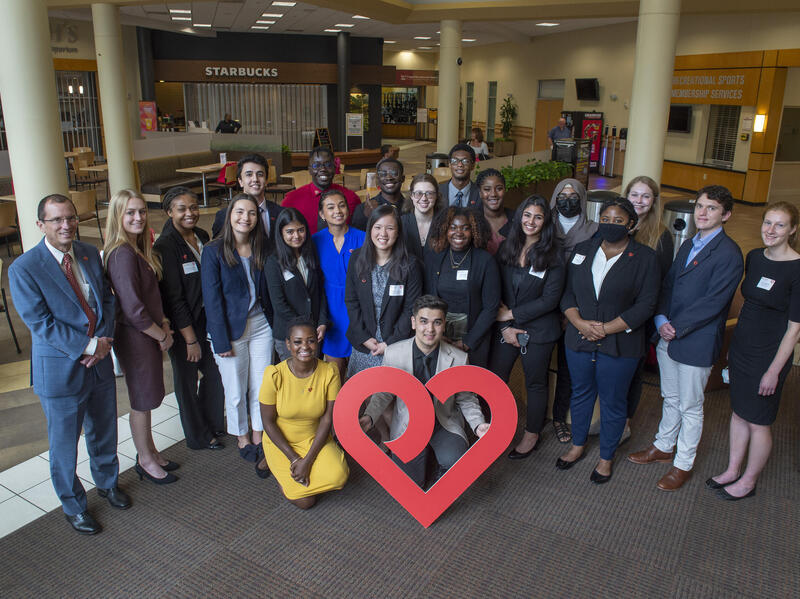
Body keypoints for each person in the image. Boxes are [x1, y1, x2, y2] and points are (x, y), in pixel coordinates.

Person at [9, 194, 128, 534]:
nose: (66, 226)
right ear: (40, 225)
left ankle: (107, 484)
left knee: (104, 430)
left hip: (100, 362)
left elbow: (106, 299)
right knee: (64, 444)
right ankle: (73, 505)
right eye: (57, 220)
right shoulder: (24, 268)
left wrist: (102, 343)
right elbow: (41, 322)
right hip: (61, 370)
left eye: (71, 218)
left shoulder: (89, 252)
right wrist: (88, 346)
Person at [628, 185, 743, 491]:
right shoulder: (689, 243)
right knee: (671, 398)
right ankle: (663, 447)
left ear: (726, 214)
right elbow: (667, 286)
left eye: (712, 208)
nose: (702, 213)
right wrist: (662, 319)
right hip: (669, 333)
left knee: (691, 406)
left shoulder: (729, 254)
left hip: (696, 340)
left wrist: (676, 326)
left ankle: (683, 464)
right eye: (700, 206)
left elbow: (714, 302)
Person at [557, 197, 660, 483]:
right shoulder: (582, 250)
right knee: (580, 394)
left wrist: (605, 329)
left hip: (621, 344)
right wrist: (579, 322)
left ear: (631, 224)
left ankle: (605, 458)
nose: (610, 225)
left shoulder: (645, 258)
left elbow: (646, 305)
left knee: (614, 402)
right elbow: (568, 295)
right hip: (578, 339)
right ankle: (578, 446)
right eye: (606, 219)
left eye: (618, 221)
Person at [708, 202, 800, 500]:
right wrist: (733, 349)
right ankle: (733, 470)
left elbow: (795, 329)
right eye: (767, 223)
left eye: (780, 225)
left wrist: (773, 371)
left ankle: (748, 481)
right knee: (738, 412)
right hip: (743, 348)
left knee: (758, 421)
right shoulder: (755, 257)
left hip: (770, 355)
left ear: (793, 230)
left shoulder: (797, 269)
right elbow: (749, 304)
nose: (770, 230)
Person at [360, 295, 489, 488]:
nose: (430, 329)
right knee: (410, 485)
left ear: (444, 324)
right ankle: (425, 460)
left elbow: (466, 398)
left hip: (442, 422)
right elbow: (384, 393)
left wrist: (478, 425)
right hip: (409, 426)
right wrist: (369, 417)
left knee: (456, 463)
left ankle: (439, 462)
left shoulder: (459, 358)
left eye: (437, 322)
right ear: (413, 322)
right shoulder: (394, 353)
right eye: (424, 321)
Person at [104, 189, 177, 485]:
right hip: (136, 336)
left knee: (146, 398)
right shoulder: (121, 253)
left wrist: (163, 323)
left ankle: (151, 451)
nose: (137, 217)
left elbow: (148, 297)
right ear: (118, 217)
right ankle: (144, 459)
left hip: (146, 332)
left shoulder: (135, 248)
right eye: (130, 213)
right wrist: (161, 335)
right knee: (140, 400)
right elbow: (132, 309)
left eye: (142, 211)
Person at [202, 193, 274, 476]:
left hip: (261, 326)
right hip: (230, 331)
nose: (246, 218)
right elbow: (212, 299)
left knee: (261, 384)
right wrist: (220, 340)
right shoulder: (214, 251)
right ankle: (242, 437)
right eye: (240, 212)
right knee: (235, 389)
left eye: (252, 213)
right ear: (230, 215)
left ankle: (258, 434)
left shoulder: (262, 248)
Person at [490, 196, 565, 458]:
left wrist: (512, 314)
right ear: (519, 216)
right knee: (497, 379)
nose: (530, 221)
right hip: (506, 327)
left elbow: (550, 299)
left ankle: (532, 433)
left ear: (545, 222)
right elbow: (495, 288)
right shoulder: (507, 248)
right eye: (527, 215)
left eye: (538, 217)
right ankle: (492, 429)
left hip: (539, 330)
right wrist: (507, 326)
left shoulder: (554, 255)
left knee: (535, 383)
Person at [153, 186, 225, 451]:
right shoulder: (165, 245)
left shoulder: (202, 235)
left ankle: (212, 423)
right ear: (169, 212)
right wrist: (190, 339)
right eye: (182, 208)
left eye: (193, 207)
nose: (189, 213)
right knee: (186, 382)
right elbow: (174, 298)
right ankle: (197, 436)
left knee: (215, 373)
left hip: (207, 319)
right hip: (185, 326)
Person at [259, 317, 349, 509]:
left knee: (339, 477)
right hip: (281, 440)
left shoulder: (329, 372)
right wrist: (294, 458)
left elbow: (327, 420)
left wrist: (307, 461)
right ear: (288, 344)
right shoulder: (274, 375)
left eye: (310, 340)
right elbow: (268, 423)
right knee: (306, 502)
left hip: (313, 438)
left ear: (317, 341)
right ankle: (278, 466)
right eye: (298, 342)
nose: (305, 347)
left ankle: (297, 471)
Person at [622, 175, 674, 441]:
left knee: (632, 373)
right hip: (612, 313)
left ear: (654, 201)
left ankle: (625, 423)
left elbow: (661, 284)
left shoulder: (661, 235)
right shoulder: (617, 225)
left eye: (645, 196)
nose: (639, 201)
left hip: (640, 318)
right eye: (635, 195)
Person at [345, 204, 423, 379]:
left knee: (391, 396)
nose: (383, 234)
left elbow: (411, 309)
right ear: (370, 229)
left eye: (390, 228)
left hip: (396, 342)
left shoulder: (410, 265)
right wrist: (363, 337)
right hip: (364, 341)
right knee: (361, 397)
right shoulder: (357, 258)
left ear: (398, 232)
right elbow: (351, 301)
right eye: (378, 227)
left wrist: (390, 342)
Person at [549, 178, 598, 444]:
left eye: (573, 196)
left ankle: (559, 417)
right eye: (562, 195)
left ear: (582, 199)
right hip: (545, 308)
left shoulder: (594, 231)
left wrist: (573, 314)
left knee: (569, 368)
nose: (568, 200)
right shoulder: (544, 226)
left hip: (575, 312)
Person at [424, 206, 500, 368]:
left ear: (474, 231)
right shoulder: (436, 258)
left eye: (465, 228)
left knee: (471, 388)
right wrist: (437, 335)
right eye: (453, 227)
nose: (459, 233)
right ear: (445, 230)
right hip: (438, 337)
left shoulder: (485, 261)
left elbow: (491, 308)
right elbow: (428, 299)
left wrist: (468, 342)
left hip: (474, 340)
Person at [313, 189, 366, 381]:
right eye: (331, 207)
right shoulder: (315, 241)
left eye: (342, 205)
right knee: (333, 376)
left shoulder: (364, 238)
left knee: (360, 378)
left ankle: (362, 412)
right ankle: (337, 412)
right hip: (330, 313)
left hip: (358, 311)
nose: (337, 210)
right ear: (322, 214)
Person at [265, 208, 329, 362]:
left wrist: (322, 322)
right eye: (290, 231)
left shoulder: (311, 254)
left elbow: (319, 293)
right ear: (281, 233)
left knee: (313, 380)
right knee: (294, 381)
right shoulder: (273, 262)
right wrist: (307, 328)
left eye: (301, 230)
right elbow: (279, 304)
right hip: (289, 335)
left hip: (315, 333)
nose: (296, 236)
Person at [282, 146, 360, 235]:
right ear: (310, 169)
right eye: (316, 165)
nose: (323, 169)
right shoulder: (291, 200)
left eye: (328, 165)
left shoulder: (351, 197)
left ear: (335, 168)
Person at [212, 154, 282, 242]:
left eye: (260, 174)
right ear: (240, 181)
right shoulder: (224, 216)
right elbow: (217, 250)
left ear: (266, 180)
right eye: (249, 174)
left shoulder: (280, 213)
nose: (255, 179)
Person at [401, 173, 446, 262]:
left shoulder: (445, 223)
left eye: (429, 193)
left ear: (436, 196)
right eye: (418, 193)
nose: (424, 198)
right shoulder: (401, 223)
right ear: (411, 196)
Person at [351, 157, 405, 231]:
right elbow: (358, 238)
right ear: (378, 180)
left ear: (403, 178)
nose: (388, 178)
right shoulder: (362, 209)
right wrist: (367, 217)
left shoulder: (412, 207)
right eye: (383, 174)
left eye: (394, 173)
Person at [478, 168, 514, 255]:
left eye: (499, 189)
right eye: (487, 189)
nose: (493, 194)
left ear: (505, 190)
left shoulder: (517, 219)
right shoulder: (472, 221)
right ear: (480, 193)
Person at [439, 143, 481, 209]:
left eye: (465, 161)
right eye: (455, 161)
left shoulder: (480, 194)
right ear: (449, 164)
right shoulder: (437, 192)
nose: (460, 165)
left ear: (473, 165)